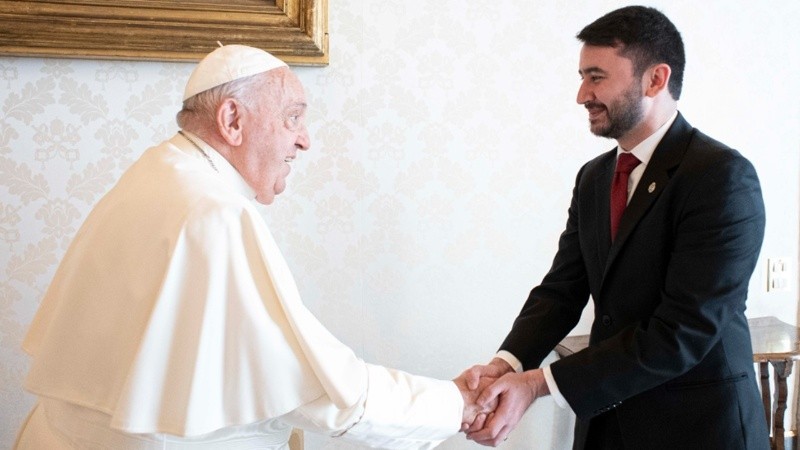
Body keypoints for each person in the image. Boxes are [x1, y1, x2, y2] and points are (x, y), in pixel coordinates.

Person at [15, 44, 492, 450]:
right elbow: (319, 389)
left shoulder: (157, 170)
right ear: (232, 120)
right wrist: (454, 404)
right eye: (292, 119)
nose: (303, 141)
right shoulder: (215, 213)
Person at [461, 6, 769, 449]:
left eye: (596, 76)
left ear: (655, 79)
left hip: (697, 428)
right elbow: (562, 290)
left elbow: (683, 331)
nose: (581, 94)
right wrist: (507, 365)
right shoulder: (594, 177)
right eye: (582, 77)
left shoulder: (720, 177)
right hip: (607, 428)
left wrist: (539, 383)